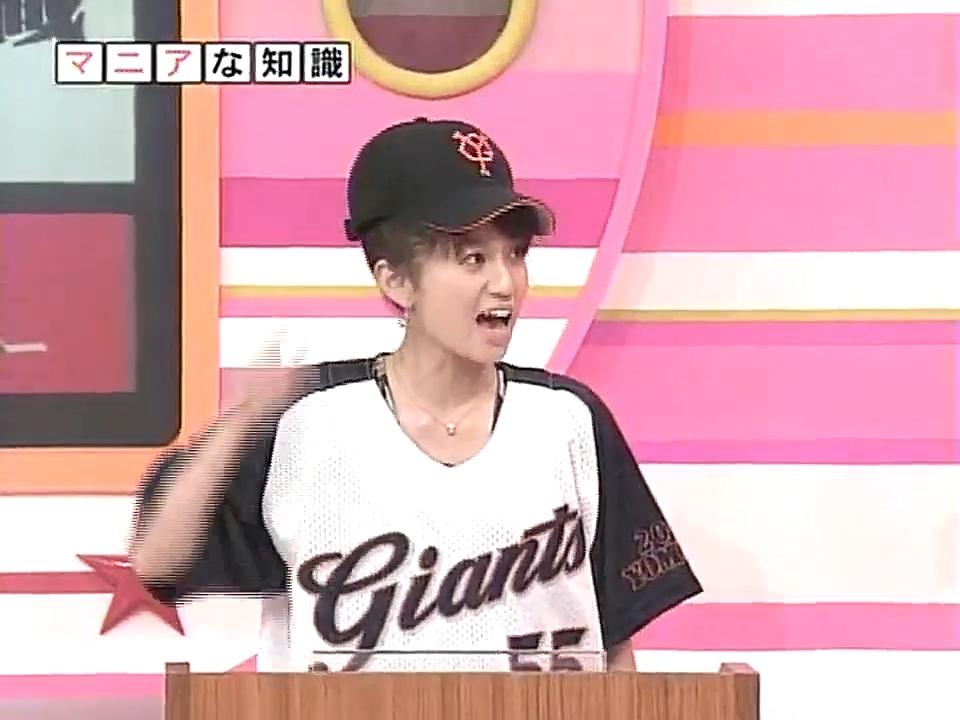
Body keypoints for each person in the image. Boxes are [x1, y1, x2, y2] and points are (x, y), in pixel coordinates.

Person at [131, 117, 702, 672]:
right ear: (396, 279)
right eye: (473, 258)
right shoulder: (306, 419)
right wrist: (239, 426)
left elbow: (615, 641)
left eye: (516, 253)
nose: (505, 282)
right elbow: (159, 562)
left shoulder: (568, 418)